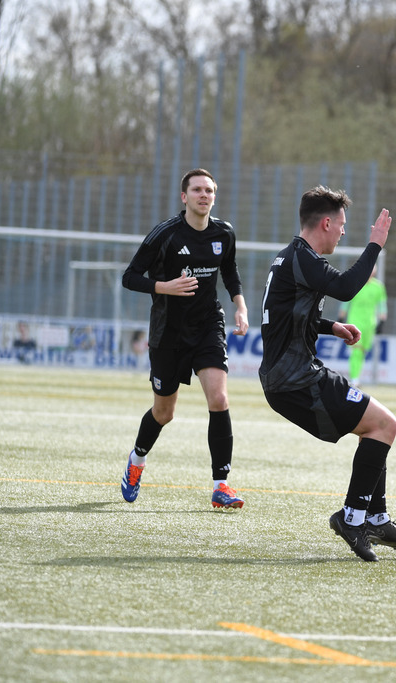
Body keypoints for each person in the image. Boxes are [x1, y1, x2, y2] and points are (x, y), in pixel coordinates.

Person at [259, 186, 396, 561]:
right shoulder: (304, 259)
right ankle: (352, 518)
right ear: (326, 223)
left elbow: (290, 316)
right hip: (296, 378)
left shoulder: (290, 258)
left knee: (375, 426)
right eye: (342, 225)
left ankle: (376, 518)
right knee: (385, 425)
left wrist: (331, 327)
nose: (343, 232)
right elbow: (347, 288)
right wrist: (376, 243)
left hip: (288, 377)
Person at [119, 168, 250, 509]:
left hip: (208, 326)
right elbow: (130, 277)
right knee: (164, 412)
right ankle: (137, 459)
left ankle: (221, 486)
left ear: (214, 197)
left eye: (209, 190)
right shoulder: (166, 234)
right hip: (169, 333)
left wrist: (240, 305)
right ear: (184, 196)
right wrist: (165, 287)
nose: (204, 195)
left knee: (219, 399)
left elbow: (230, 270)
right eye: (197, 190)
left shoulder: (224, 232)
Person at [337, 263, 387, 386]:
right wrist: (341, 317)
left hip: (369, 324)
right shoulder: (355, 284)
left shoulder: (378, 287)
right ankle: (354, 379)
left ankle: (356, 377)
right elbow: (345, 302)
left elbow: (382, 305)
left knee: (363, 351)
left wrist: (382, 321)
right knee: (356, 351)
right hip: (355, 321)